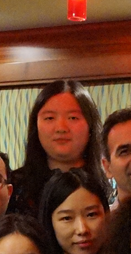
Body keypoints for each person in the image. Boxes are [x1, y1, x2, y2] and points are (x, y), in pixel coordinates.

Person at [10, 80, 107, 217]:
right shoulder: (15, 186)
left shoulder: (109, 183)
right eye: (49, 118)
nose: (61, 128)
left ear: (90, 125)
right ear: (35, 126)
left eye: (73, 118)